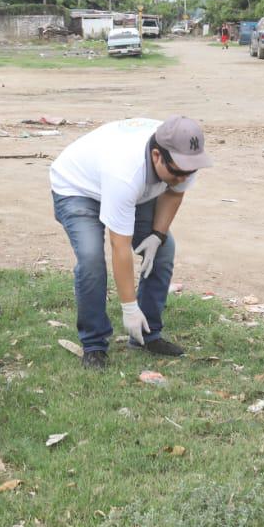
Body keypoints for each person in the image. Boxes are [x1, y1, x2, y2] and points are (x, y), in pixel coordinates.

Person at [50, 116, 213, 370]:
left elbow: (174, 194)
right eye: (177, 172)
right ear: (157, 155)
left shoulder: (184, 158)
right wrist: (129, 307)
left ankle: (148, 335)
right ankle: (94, 344)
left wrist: (157, 236)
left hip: (128, 188)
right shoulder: (126, 172)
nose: (183, 177)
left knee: (164, 249)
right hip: (78, 189)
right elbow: (119, 246)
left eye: (188, 171)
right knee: (92, 258)